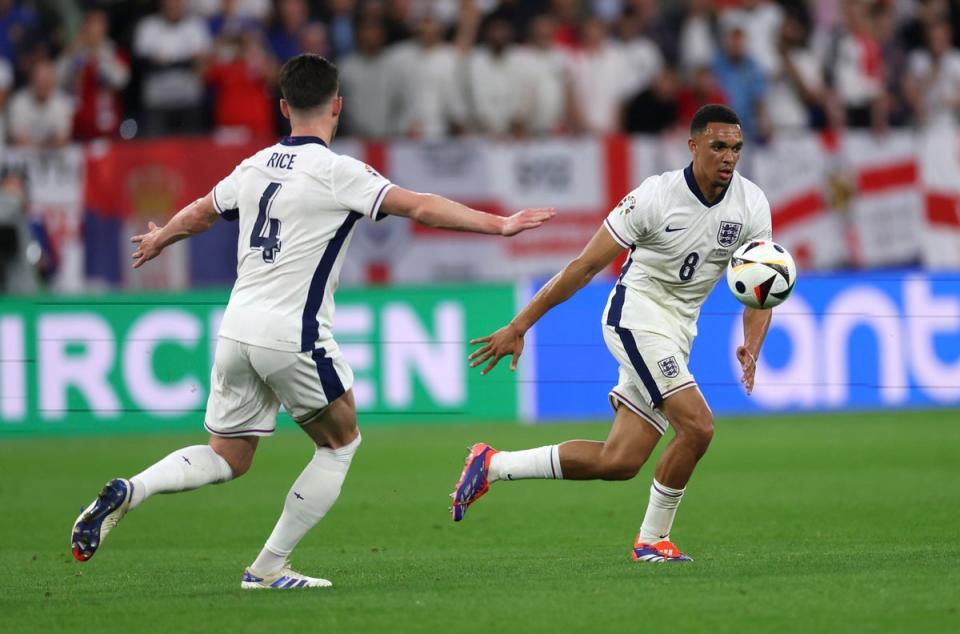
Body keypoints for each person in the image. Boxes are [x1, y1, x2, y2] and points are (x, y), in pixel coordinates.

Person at [70, 54, 555, 588]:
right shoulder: (338, 172)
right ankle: (268, 567)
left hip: (236, 327)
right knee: (341, 441)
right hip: (290, 332)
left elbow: (204, 210)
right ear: (338, 106)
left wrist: (161, 237)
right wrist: (500, 223)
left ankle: (131, 489)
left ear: (283, 107)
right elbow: (418, 206)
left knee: (228, 455)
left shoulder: (254, 165)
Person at [451, 104, 773, 564]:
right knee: (699, 426)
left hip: (679, 330)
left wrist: (753, 343)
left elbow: (759, 286)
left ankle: (492, 464)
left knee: (620, 461)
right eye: (718, 146)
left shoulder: (751, 203)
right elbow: (583, 267)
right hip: (636, 316)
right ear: (694, 145)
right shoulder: (654, 197)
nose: (729, 157)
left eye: (736, 148)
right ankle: (652, 541)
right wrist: (520, 325)